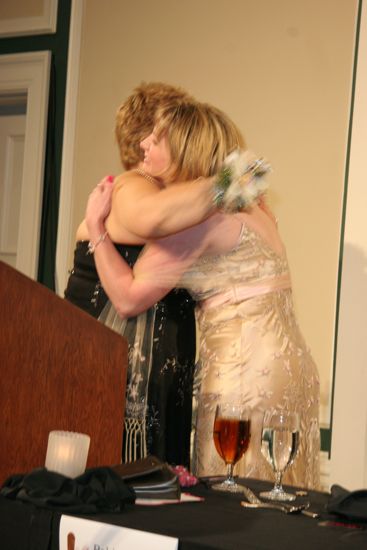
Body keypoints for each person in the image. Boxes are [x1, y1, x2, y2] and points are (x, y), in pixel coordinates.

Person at [85, 100, 321, 489]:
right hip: (293, 370)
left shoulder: (202, 219)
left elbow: (127, 298)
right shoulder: (256, 207)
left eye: (157, 139)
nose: (144, 144)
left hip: (245, 378)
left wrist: (96, 228)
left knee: (237, 503)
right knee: (280, 498)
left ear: (183, 148)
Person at [64, 82, 220, 467]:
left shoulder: (169, 195)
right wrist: (229, 181)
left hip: (159, 360)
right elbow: (153, 219)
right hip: (118, 364)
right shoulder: (133, 186)